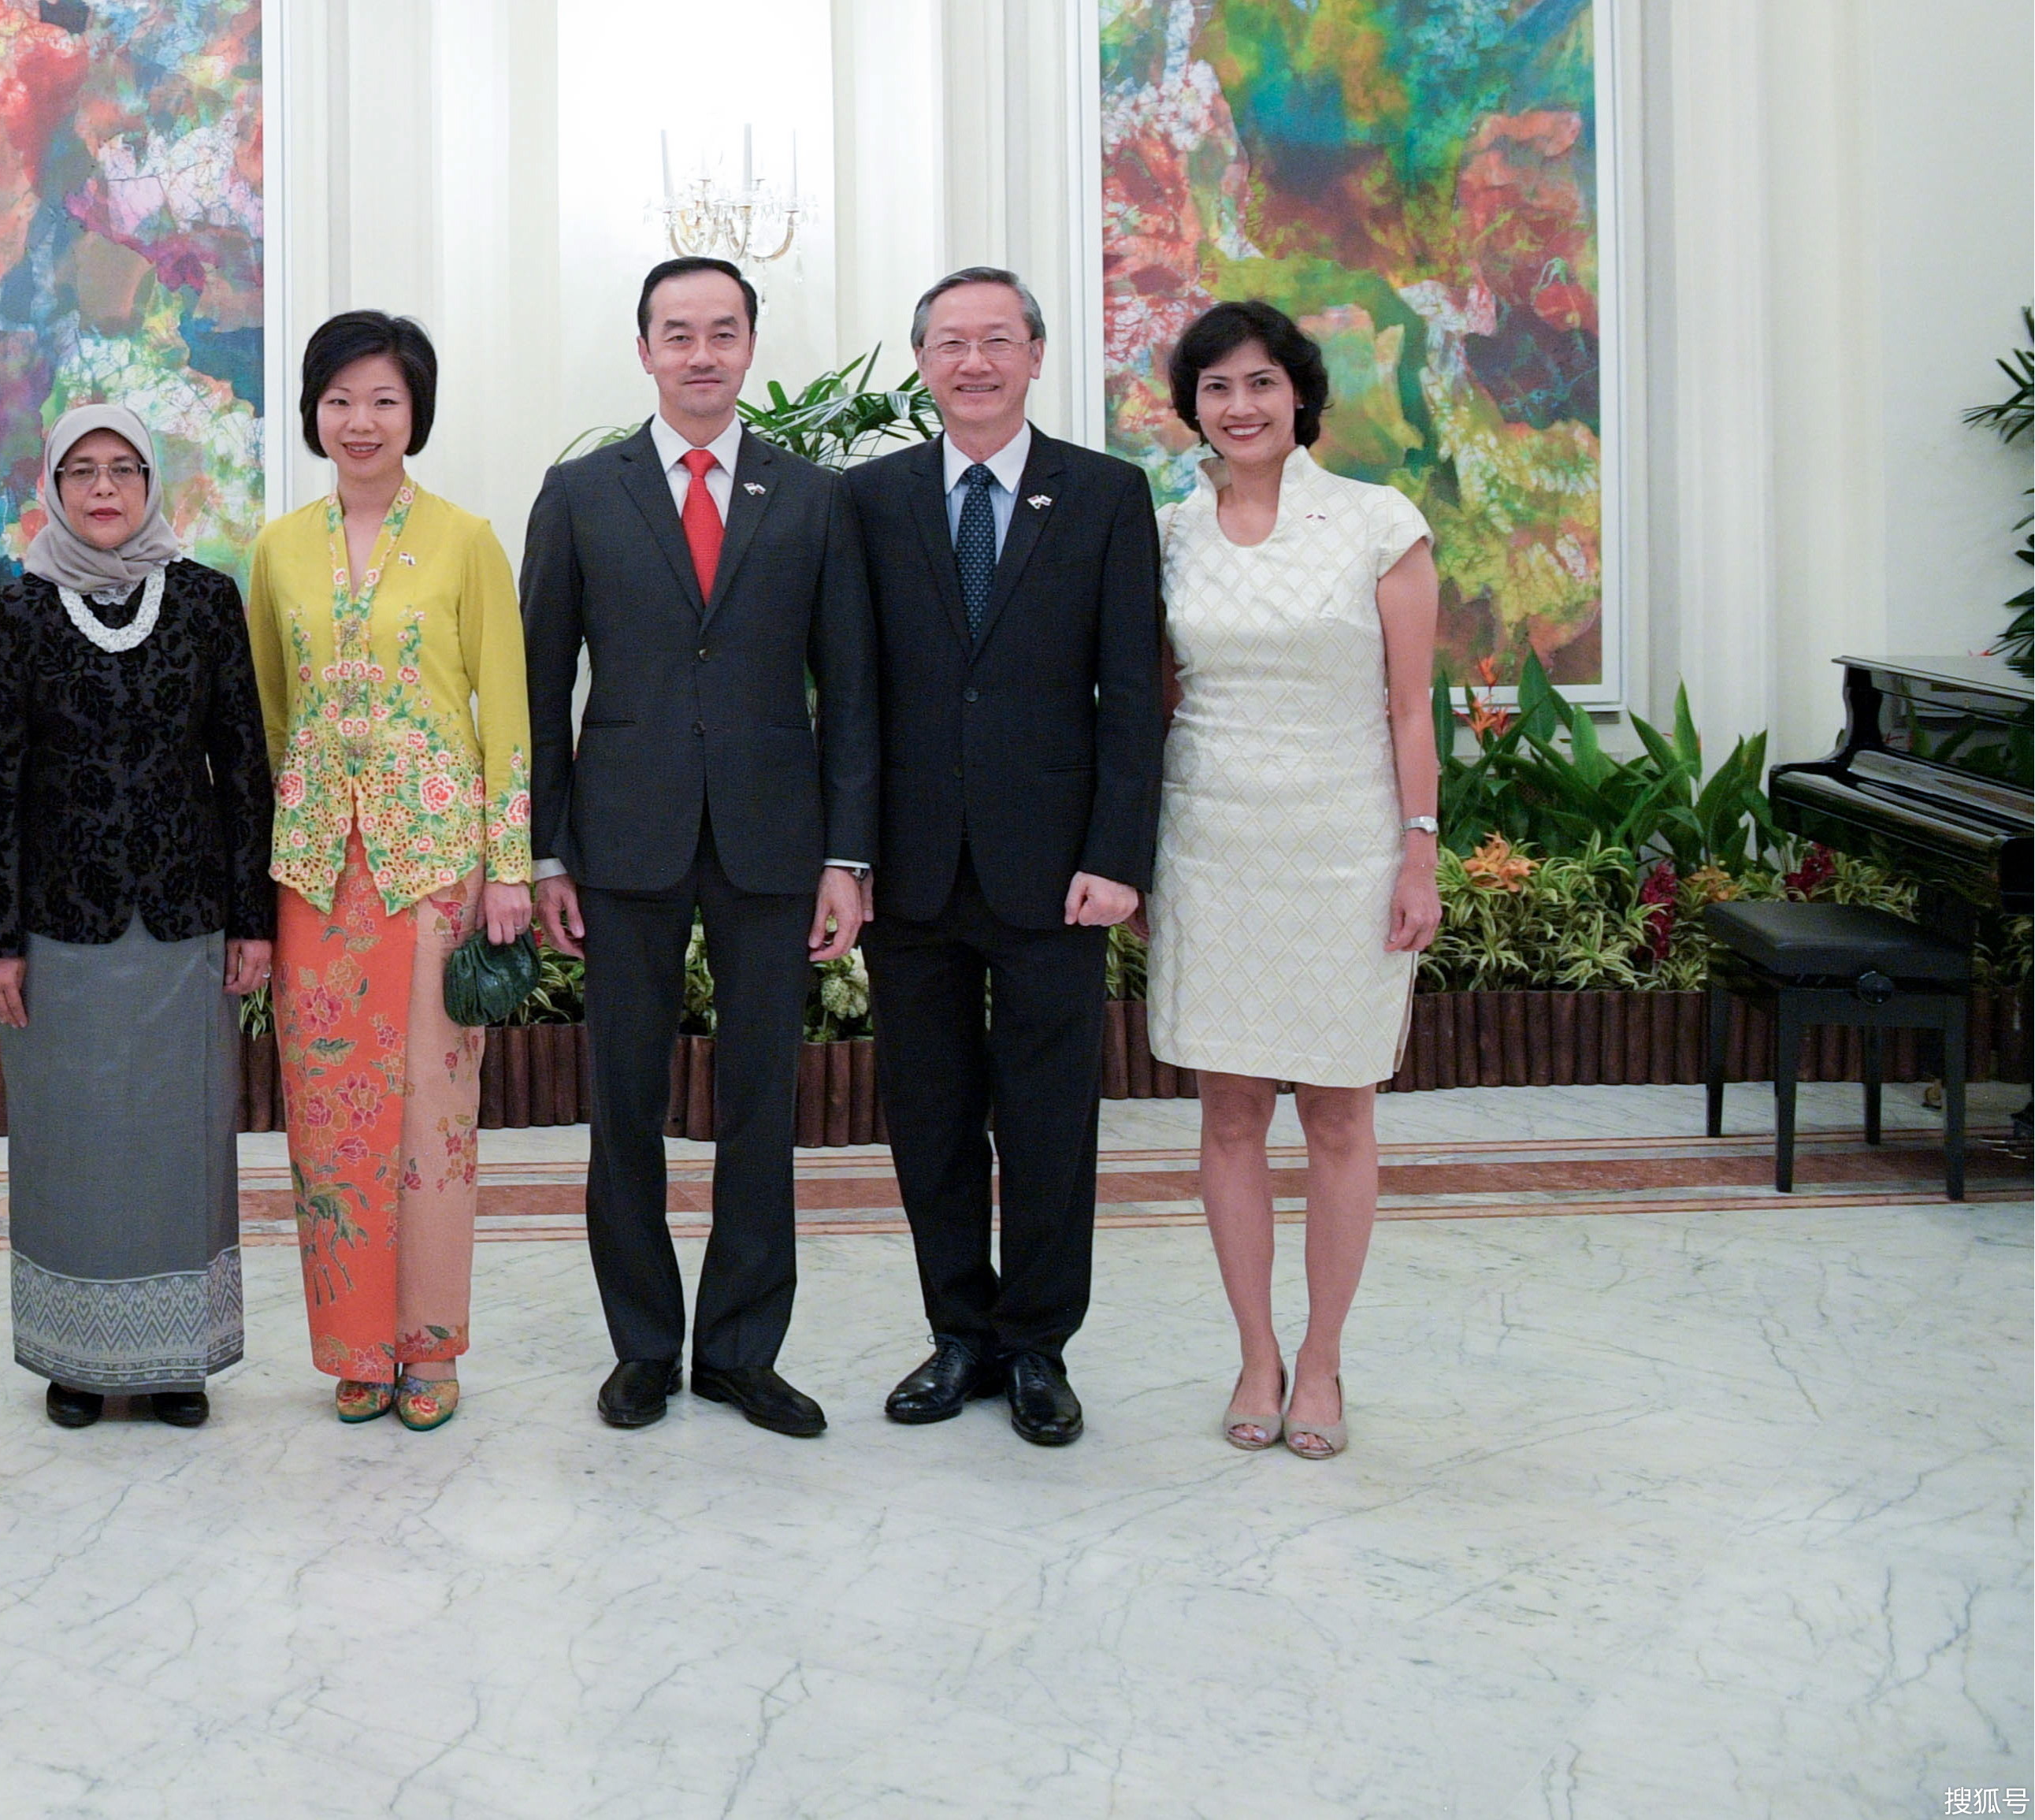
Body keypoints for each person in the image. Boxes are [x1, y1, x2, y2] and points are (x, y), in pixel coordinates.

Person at [521, 255, 874, 1440]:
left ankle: (738, 1350)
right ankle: (639, 1348)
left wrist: (847, 856)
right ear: (643, 350)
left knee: (760, 1101)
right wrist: (545, 851)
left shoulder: (811, 499)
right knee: (622, 1099)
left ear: (749, 344)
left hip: (775, 841)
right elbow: (537, 682)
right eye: (678, 333)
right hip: (622, 838)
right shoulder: (579, 492)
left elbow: (852, 694)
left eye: (722, 331)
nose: (701, 353)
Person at [843, 268, 1160, 1449]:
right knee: (926, 1116)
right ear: (920, 361)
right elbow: (854, 694)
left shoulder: (1104, 495)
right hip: (910, 869)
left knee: (1045, 1120)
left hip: (1055, 872)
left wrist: (1116, 853)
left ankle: (1036, 1347)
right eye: (947, 344)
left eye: (994, 341)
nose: (971, 363)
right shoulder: (865, 500)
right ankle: (956, 1335)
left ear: (1035, 353)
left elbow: (1130, 694)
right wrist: (849, 854)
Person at [1142, 299, 1443, 1464]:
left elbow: (1410, 707)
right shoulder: (1168, 534)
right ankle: (1254, 1352)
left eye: (1260, 382)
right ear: (1194, 409)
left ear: (1298, 394)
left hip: (1341, 844)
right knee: (1226, 1113)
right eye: (1216, 388)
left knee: (1335, 1110)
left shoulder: (1376, 524)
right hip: (1212, 840)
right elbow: (1157, 699)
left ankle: (1320, 1362)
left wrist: (1418, 848)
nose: (1240, 406)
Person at [0, 405, 278, 1429]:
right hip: (61, 930)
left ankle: (177, 1357)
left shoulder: (204, 602)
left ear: (152, 486)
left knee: (178, 1134)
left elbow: (243, 769)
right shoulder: (16, 614)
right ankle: (77, 1359)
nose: (104, 489)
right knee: (72, 1138)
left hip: (184, 925)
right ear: (52, 488)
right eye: (83, 472)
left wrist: (251, 918)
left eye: (124, 471)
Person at [244, 310, 530, 1432]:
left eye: (384, 401)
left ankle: (430, 1344)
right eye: (340, 400)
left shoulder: (465, 541)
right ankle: (353, 1349)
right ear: (313, 413)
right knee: (329, 1118)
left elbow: (505, 713)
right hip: (317, 873)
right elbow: (272, 711)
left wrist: (506, 865)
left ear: (416, 413)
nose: (360, 422)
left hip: (432, 869)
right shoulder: (275, 548)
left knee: (431, 1116)